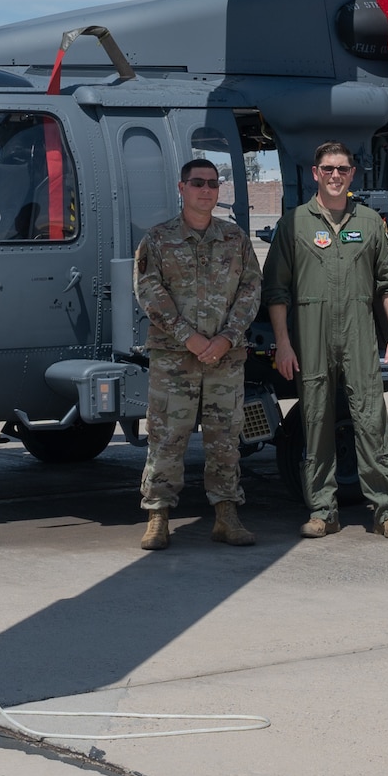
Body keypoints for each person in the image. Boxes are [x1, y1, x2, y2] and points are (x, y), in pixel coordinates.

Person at [264, 142, 388, 539]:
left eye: (342, 169)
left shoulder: (368, 222)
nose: (334, 175)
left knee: (371, 420)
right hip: (310, 334)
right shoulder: (294, 224)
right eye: (327, 169)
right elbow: (276, 291)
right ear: (315, 173)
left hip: (360, 332)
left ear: (352, 175)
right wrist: (283, 343)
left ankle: (386, 510)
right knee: (315, 420)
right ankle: (322, 510)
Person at [134, 158, 263, 552]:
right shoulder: (157, 240)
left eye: (212, 183)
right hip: (175, 359)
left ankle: (226, 515)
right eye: (197, 182)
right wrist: (187, 337)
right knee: (167, 438)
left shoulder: (235, 238)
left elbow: (251, 290)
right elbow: (148, 291)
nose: (206, 190)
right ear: (181, 187)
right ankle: (158, 517)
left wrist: (226, 338)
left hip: (225, 358)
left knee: (225, 439)